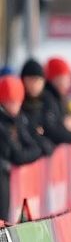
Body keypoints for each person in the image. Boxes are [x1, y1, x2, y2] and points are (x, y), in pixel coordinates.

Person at [0, 75, 45, 223]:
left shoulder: (18, 120)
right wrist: (36, 150)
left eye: (17, 102)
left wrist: (36, 148)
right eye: (10, 102)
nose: (15, 106)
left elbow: (32, 143)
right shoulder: (4, 125)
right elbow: (17, 155)